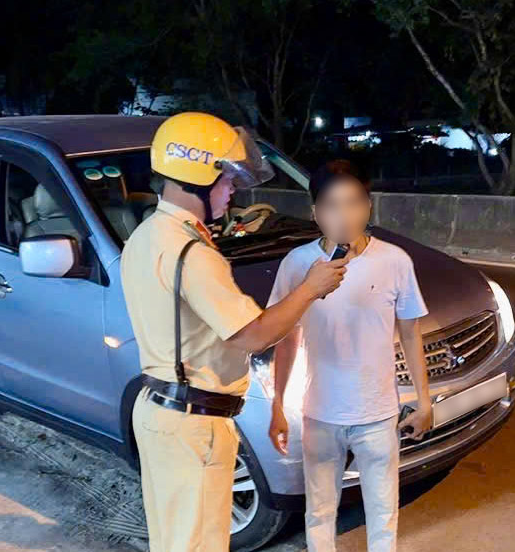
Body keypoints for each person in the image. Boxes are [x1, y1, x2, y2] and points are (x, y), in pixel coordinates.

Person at [121, 112, 349, 552]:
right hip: (195, 424)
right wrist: (311, 289)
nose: (234, 189)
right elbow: (254, 335)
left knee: (175, 541)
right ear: (196, 178)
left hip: (164, 411)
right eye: (226, 180)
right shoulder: (191, 253)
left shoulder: (149, 234)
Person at [267, 160, 433, 552]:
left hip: (378, 415)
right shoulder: (297, 264)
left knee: (383, 513)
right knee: (320, 512)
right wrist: (277, 404)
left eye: (354, 202)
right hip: (320, 414)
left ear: (369, 206)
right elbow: (285, 337)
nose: (344, 216)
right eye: (331, 205)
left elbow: (410, 333)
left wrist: (423, 402)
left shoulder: (395, 261)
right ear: (315, 212)